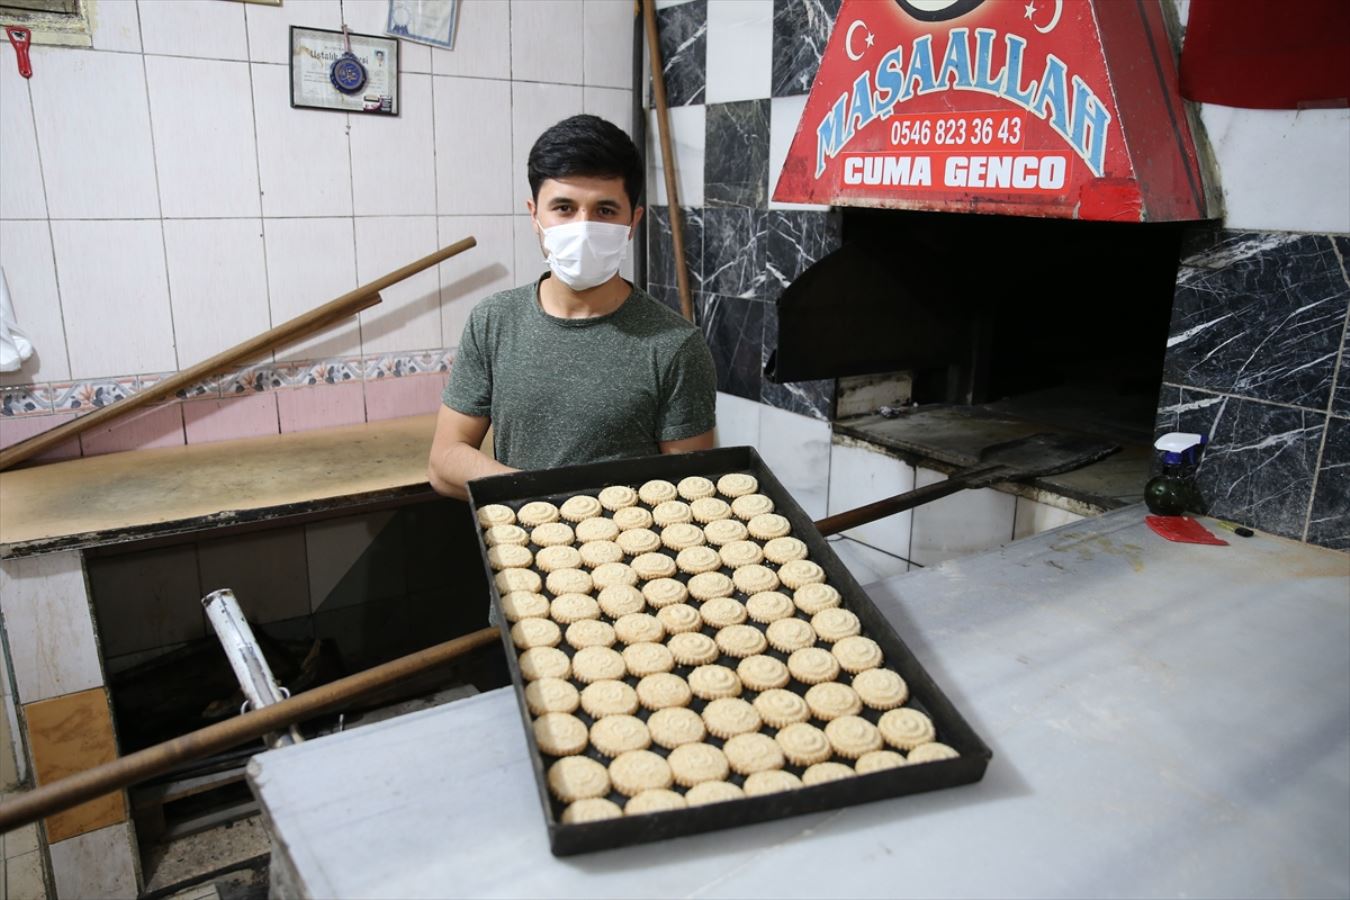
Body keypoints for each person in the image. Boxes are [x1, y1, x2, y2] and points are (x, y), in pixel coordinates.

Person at [428, 114, 717, 500]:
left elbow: (692, 493)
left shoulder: (674, 345)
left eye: (605, 210)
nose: (583, 227)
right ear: (534, 215)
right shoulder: (494, 321)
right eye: (564, 208)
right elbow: (445, 459)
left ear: (633, 221)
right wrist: (544, 505)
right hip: (517, 549)